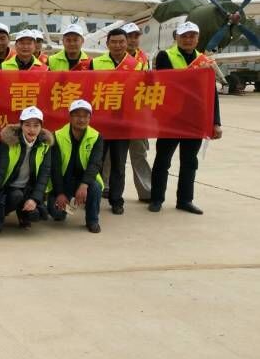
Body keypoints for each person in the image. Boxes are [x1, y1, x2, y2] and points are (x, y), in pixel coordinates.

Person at [149, 21, 223, 214]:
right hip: (171, 119)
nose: (188, 40)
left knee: (190, 162)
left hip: (195, 120)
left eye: (192, 36)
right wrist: (196, 73)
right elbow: (168, 83)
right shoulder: (165, 56)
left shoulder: (204, 60)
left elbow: (211, 93)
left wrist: (216, 122)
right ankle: (156, 199)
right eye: (184, 36)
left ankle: (185, 200)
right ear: (177, 38)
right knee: (163, 160)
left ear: (198, 39)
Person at [0, 106, 53, 234]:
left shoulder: (45, 145)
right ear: (21, 125)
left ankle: (23, 215)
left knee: (37, 214)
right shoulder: (9, 143)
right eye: (27, 125)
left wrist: (34, 199)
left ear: (41, 126)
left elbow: (44, 175)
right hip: (8, 189)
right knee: (15, 196)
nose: (32, 130)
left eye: (36, 125)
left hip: (28, 189)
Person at [89, 28, 138, 214]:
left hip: (123, 123)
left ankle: (116, 200)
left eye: (121, 42)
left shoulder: (136, 65)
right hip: (100, 122)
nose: (118, 45)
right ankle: (93, 196)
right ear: (107, 44)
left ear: (127, 43)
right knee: (96, 162)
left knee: (119, 163)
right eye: (114, 42)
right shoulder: (95, 63)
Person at [49, 99, 104, 233]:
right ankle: (63, 203)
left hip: (85, 181)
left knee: (95, 187)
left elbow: (95, 164)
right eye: (77, 116)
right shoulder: (57, 136)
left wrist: (84, 185)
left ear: (90, 118)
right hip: (64, 181)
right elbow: (55, 168)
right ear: (70, 117)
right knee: (57, 215)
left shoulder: (96, 137)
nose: (82, 119)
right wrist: (60, 193)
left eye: (86, 116)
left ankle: (92, 220)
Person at [119, 22, 152, 201]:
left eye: (135, 36)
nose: (132, 40)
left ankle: (146, 191)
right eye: (129, 37)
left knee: (139, 154)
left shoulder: (144, 59)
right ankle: (108, 190)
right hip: (116, 113)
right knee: (112, 156)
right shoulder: (113, 58)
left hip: (138, 115)